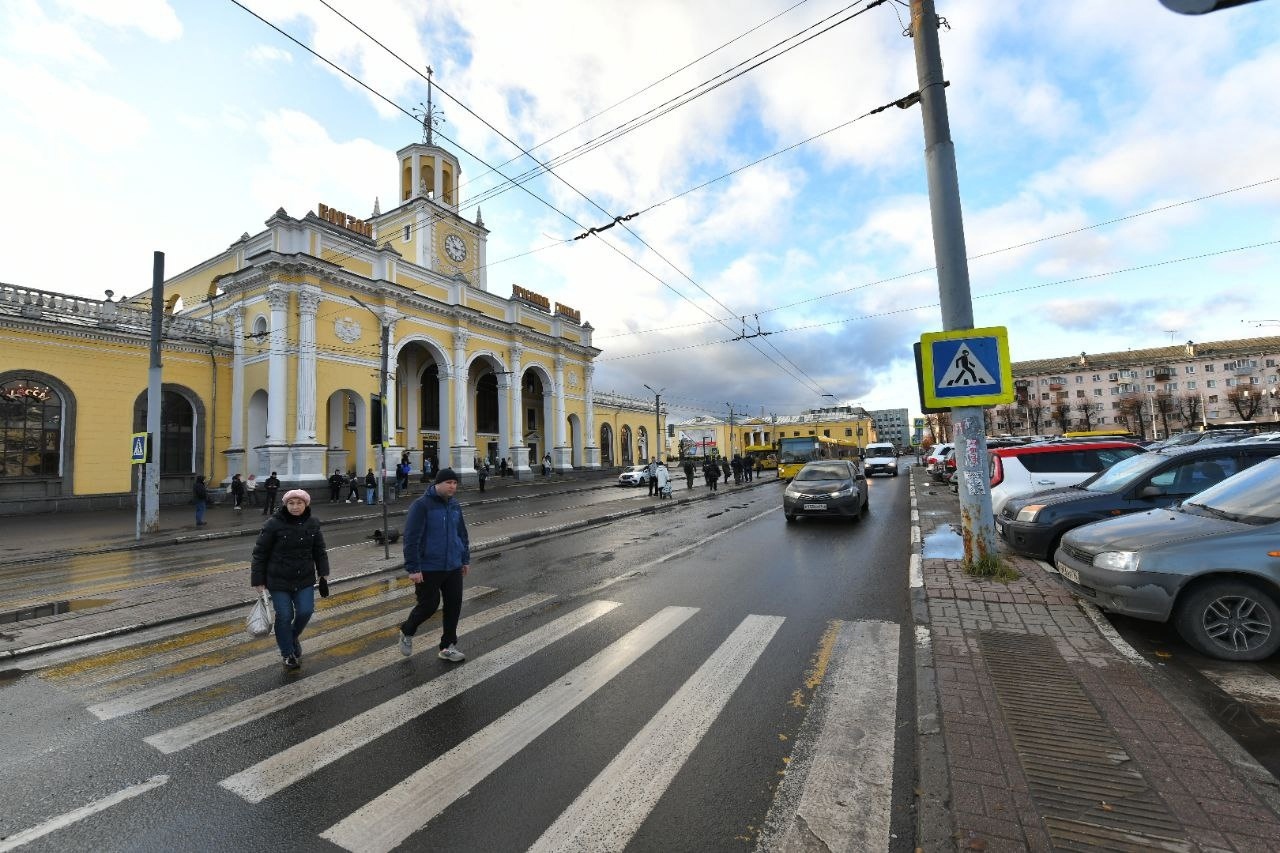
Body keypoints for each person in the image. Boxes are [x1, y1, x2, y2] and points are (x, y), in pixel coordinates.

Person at [251, 488, 330, 671]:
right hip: (278, 580)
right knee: (285, 616)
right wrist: (258, 581)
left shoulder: (313, 523)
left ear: (306, 504)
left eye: (299, 503)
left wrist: (323, 572)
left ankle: (292, 636)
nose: (295, 506)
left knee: (305, 611)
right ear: (285, 505)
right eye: (291, 503)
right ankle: (287, 654)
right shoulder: (273, 524)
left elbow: (320, 550)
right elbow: (259, 553)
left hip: (304, 578)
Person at [397, 468, 470, 663]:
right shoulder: (421, 505)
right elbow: (412, 538)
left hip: (453, 564)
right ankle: (407, 630)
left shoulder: (454, 505)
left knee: (454, 606)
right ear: (437, 484)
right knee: (429, 606)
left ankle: (447, 646)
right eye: (449, 483)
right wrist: (413, 568)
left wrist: (464, 559)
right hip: (429, 566)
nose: (452, 487)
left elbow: (461, 534)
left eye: (455, 483)